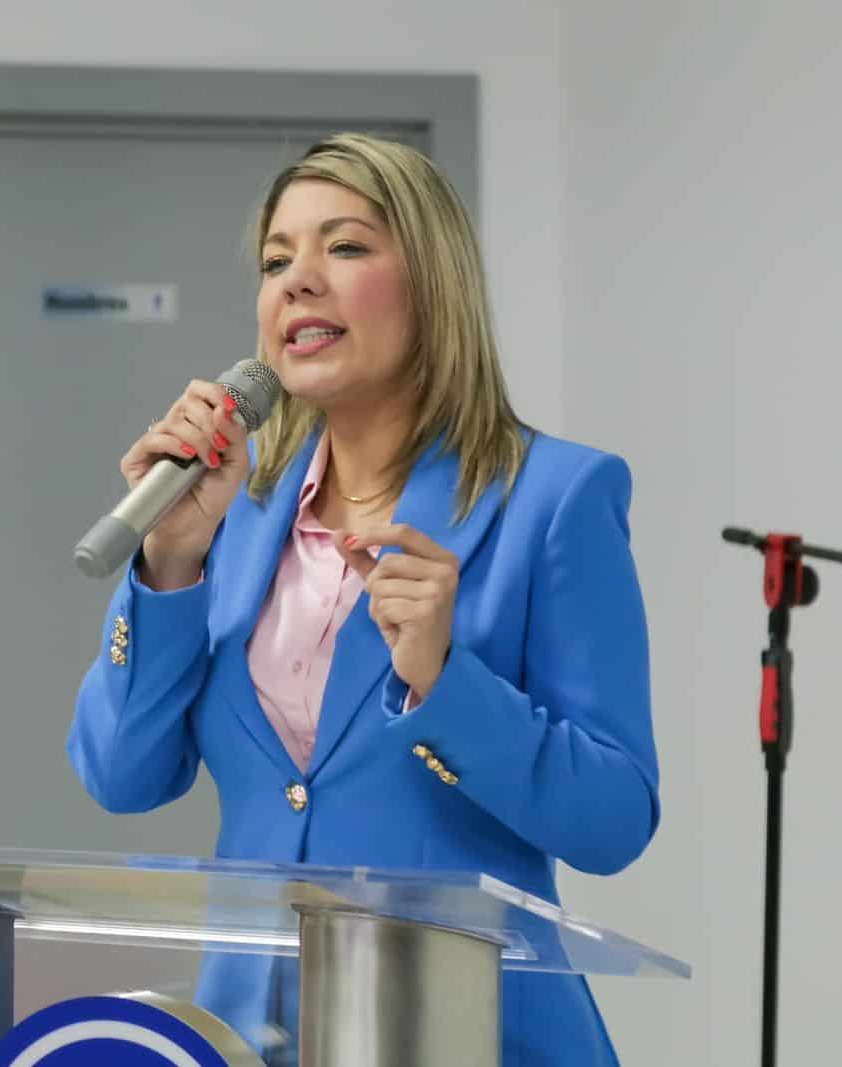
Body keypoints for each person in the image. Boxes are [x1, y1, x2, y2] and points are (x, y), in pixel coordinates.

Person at [69, 132, 659, 1066]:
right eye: (276, 261)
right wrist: (170, 560)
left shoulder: (553, 498)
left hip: (476, 1040)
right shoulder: (231, 513)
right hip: (254, 1042)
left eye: (344, 246)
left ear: (434, 284)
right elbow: (121, 774)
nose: (298, 280)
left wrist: (445, 682)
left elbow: (615, 817)